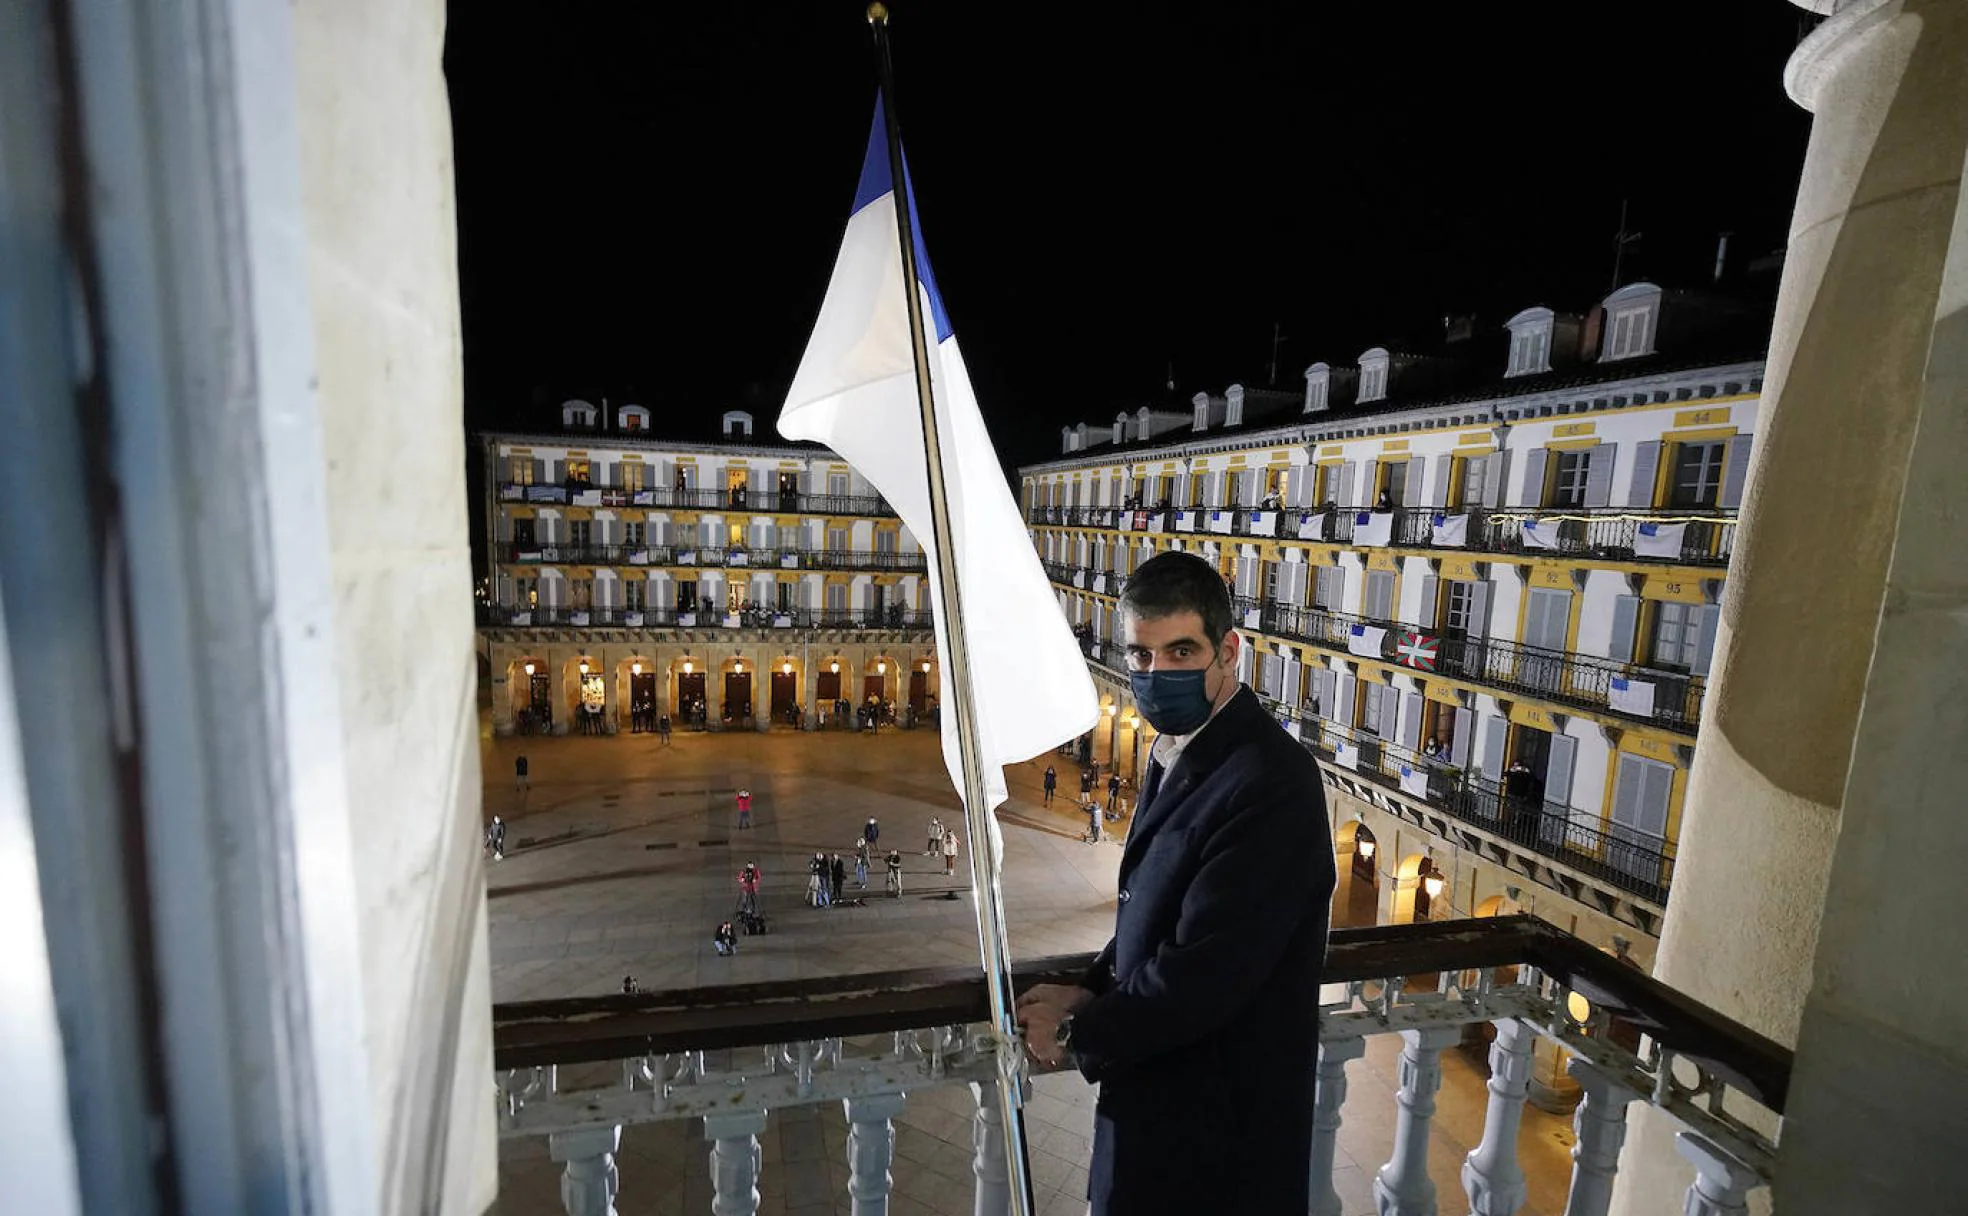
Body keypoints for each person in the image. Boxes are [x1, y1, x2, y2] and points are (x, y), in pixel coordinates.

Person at [1015, 549, 1334, 1216]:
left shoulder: (1271, 780)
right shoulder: (1177, 753)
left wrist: (1081, 1031)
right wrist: (1092, 985)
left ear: (1229, 652)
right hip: (1158, 1129)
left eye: (1181, 652)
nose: (1157, 674)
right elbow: (1156, 918)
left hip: (1219, 1154)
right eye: (1141, 655)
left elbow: (1208, 971)